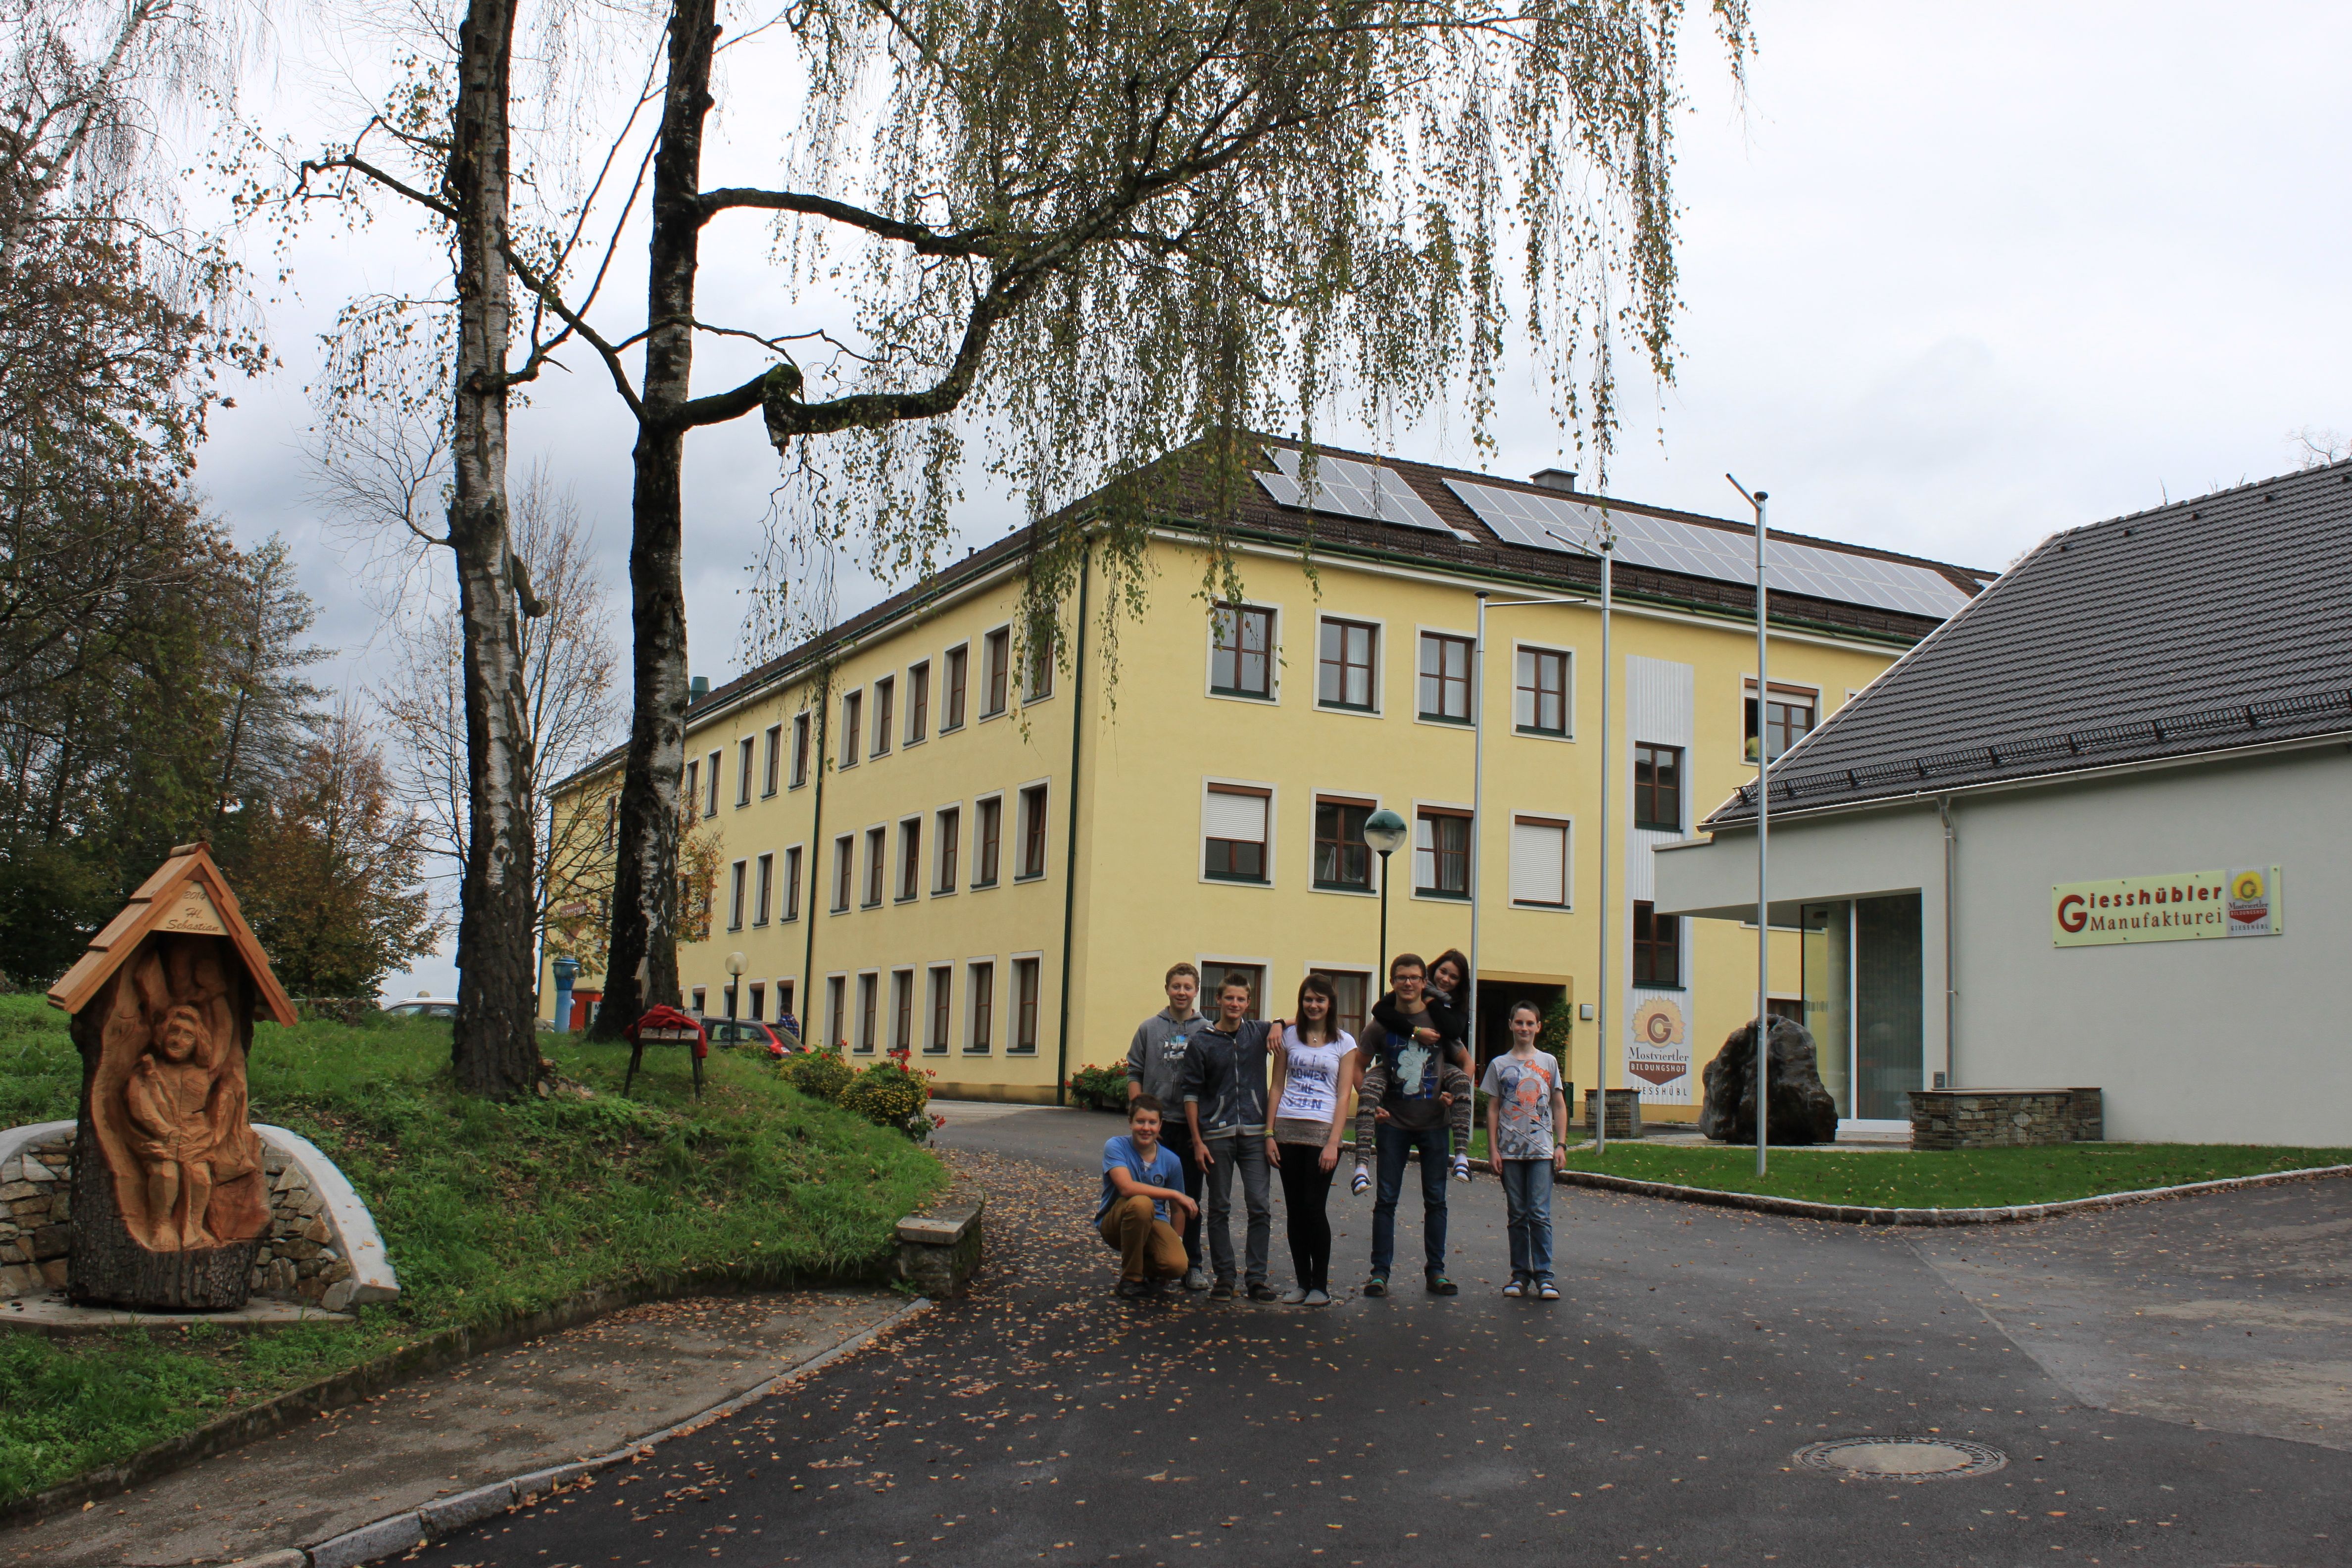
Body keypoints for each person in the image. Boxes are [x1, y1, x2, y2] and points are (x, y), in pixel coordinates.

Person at [1358, 954, 1461, 1296]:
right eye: (1401, 977)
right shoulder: (1380, 1026)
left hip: (1435, 1124)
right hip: (1394, 1126)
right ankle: (1379, 1273)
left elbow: (1468, 1064)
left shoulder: (1439, 1020)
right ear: (1393, 982)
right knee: (1386, 1199)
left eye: (1415, 978)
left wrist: (1453, 1094)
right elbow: (1357, 1067)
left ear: (1423, 981)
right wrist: (1371, 1105)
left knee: (1437, 1200)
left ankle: (1437, 1272)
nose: (1408, 983)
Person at [1264, 975, 1358, 1306]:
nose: (1313, 1005)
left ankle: (1321, 1286)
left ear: (1330, 1004)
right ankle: (1301, 1283)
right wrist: (1269, 1133)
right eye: (1308, 999)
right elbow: (1276, 1086)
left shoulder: (1344, 1042)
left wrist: (1335, 1141)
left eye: (1320, 999)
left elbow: (1344, 1095)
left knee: (1314, 1208)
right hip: (1288, 1131)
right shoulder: (1289, 1037)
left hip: (1322, 1134)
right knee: (1294, 1210)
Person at [1181, 976, 1277, 1301]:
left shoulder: (1257, 1033)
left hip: (1254, 1133)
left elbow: (1301, 1021)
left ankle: (1257, 1278)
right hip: (1216, 1135)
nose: (1235, 1005)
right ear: (1218, 1000)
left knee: (1260, 1206)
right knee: (1219, 1207)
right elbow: (1191, 1093)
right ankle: (1224, 1277)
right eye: (1229, 999)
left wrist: (1278, 1023)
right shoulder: (1202, 1041)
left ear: (1248, 1003)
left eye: (1241, 1000)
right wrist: (1197, 1140)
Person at [1126, 963, 1211, 1290]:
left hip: (1190, 1128)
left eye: (1188, 987)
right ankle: (1151, 1263)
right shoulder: (1149, 1028)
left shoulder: (1206, 1029)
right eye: (1176, 986)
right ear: (1167, 989)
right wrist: (1142, 1116)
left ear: (1196, 991)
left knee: (1189, 1197)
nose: (1182, 993)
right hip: (1156, 1129)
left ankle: (1192, 1265)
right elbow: (1134, 1072)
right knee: (1150, 1198)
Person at [1481, 1000, 1569, 1300]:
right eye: (1519, 1023)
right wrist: (1493, 1150)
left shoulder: (1548, 1063)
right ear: (1511, 1025)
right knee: (1518, 1214)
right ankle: (1520, 1275)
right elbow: (1493, 1109)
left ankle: (1545, 1276)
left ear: (1538, 1027)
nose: (1524, 1028)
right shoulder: (1499, 1065)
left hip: (1542, 1152)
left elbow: (1559, 1105)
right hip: (1510, 1153)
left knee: (1540, 1214)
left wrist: (1561, 1144)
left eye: (1530, 1023)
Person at [1372, 947, 1476, 1182]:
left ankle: (1462, 1157)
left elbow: (1452, 1031)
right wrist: (1415, 1032)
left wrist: (1431, 1002)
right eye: (1443, 972)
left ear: (1461, 983)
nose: (1446, 979)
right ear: (1432, 972)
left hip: (1441, 1069)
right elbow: (1379, 1010)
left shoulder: (1457, 1005)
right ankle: (1361, 1167)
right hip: (1401, 1065)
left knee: (1436, 1195)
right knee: (1373, 1082)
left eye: (1454, 977)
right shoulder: (1414, 987)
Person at [1098, 1096, 1197, 1298]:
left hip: (1155, 1221)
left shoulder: (1172, 1161)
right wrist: (1174, 1193)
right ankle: (1130, 1280)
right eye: (1140, 1121)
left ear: (1160, 1125)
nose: (1146, 1128)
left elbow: (1178, 1210)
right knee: (1142, 1204)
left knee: (1177, 1266)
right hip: (1117, 1222)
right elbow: (1127, 1188)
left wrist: (1176, 1240)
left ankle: (1149, 1272)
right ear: (1130, 1122)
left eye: (1152, 1123)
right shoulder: (1116, 1146)